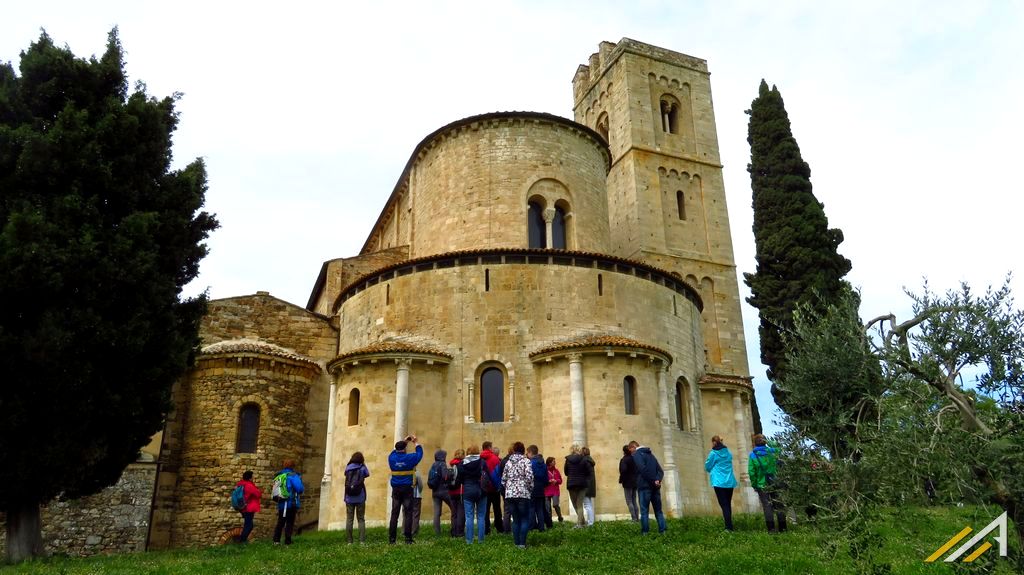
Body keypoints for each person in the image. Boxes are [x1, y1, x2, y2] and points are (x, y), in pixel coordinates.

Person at [388, 434, 424, 544]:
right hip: (407, 488)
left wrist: (404, 442)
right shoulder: (410, 458)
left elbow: (393, 452)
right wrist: (415, 442)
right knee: (408, 513)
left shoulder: (391, 458)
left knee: (394, 513)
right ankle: (408, 539)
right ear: (404, 449)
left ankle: (392, 539)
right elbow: (420, 454)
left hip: (396, 489)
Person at [749, 434, 786, 533]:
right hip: (775, 482)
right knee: (779, 504)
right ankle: (783, 528)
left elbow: (751, 472)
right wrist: (769, 441)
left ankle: (771, 529)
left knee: (767, 506)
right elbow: (779, 447)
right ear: (765, 442)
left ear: (755, 443)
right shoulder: (772, 452)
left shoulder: (753, 455)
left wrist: (754, 485)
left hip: (762, 484)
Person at [501, 441, 535, 549]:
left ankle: (516, 543)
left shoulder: (508, 462)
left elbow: (503, 480)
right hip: (523, 493)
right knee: (524, 518)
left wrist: (509, 488)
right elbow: (529, 478)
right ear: (523, 450)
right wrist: (529, 489)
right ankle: (522, 544)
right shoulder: (526, 461)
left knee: (515, 519)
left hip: (510, 494)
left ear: (514, 450)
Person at [629, 441, 666, 534]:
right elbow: (660, 471)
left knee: (644, 511)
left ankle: (645, 532)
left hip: (644, 486)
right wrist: (657, 480)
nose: (631, 454)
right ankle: (663, 530)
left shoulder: (637, 455)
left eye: (631, 451)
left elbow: (642, 470)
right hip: (655, 487)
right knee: (658, 511)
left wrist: (653, 480)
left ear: (633, 447)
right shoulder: (651, 455)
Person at [704, 435, 737, 531]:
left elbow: (707, 466)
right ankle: (730, 525)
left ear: (714, 442)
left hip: (719, 482)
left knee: (724, 505)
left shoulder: (713, 453)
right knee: (728, 503)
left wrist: (712, 469)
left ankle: (728, 527)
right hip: (729, 482)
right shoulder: (728, 452)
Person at [458, 445, 488, 543]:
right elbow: (487, 475)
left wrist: (466, 483)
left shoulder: (462, 463)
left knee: (469, 517)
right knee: (481, 516)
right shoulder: (482, 462)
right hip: (481, 491)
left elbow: (460, 478)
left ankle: (469, 540)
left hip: (468, 490)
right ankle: (481, 540)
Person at [272, 459, 304, 545]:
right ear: (293, 466)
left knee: (280, 521)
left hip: (281, 503)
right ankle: (288, 541)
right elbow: (300, 489)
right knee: (289, 522)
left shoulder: (279, 475)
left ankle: (276, 540)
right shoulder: (293, 475)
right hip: (290, 502)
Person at [343, 452, 370, 543]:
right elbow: (367, 474)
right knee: (361, 519)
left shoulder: (348, 468)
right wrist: (363, 464)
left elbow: (345, 475)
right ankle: (362, 541)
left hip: (349, 497)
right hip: (360, 496)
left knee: (349, 519)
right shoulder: (362, 468)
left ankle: (349, 541)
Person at [563, 444, 591, 528]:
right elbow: (588, 472)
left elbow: (566, 472)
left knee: (575, 504)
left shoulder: (568, 460)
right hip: (582, 484)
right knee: (579, 504)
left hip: (571, 484)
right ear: (579, 450)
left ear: (571, 450)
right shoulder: (584, 459)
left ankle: (580, 524)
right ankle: (581, 522)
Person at [429, 449, 456, 536]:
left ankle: (437, 532)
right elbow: (445, 476)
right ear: (443, 457)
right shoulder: (442, 464)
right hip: (444, 491)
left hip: (435, 492)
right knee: (454, 509)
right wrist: (451, 473)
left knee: (436, 513)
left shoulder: (433, 465)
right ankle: (454, 529)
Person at [480, 441, 504, 534]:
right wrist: (498, 486)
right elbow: (497, 474)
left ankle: (486, 529)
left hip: (483, 488)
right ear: (489, 447)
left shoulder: (479, 458)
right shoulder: (495, 458)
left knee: (485, 509)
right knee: (497, 508)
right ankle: (499, 528)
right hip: (494, 488)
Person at [235, 470, 261, 543]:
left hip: (243, 507)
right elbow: (258, 494)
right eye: (252, 477)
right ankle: (242, 541)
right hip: (248, 508)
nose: (253, 478)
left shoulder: (241, 484)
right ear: (249, 478)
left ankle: (242, 540)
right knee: (249, 525)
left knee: (248, 524)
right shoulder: (249, 485)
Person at [527, 445, 549, 530]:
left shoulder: (531, 463)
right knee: (540, 509)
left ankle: (532, 527)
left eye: (528, 453)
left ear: (531, 453)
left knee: (531, 508)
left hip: (532, 488)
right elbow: (546, 477)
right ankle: (541, 527)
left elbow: (529, 476)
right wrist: (544, 485)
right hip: (541, 488)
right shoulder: (543, 463)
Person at [618, 444, 639, 522]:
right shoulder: (634, 459)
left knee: (629, 501)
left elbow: (623, 470)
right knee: (634, 500)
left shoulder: (624, 459)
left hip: (627, 482)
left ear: (623, 451)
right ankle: (637, 518)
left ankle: (634, 519)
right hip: (635, 482)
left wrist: (621, 479)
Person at [449, 449, 466, 537]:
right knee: (461, 512)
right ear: (463, 455)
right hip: (460, 491)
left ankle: (453, 531)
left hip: (451, 491)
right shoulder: (462, 465)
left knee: (454, 512)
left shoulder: (451, 464)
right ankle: (460, 532)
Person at [545, 456, 564, 523]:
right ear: (549, 463)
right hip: (547, 491)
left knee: (555, 504)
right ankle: (549, 521)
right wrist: (549, 481)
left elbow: (560, 480)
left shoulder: (556, 471)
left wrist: (556, 481)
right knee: (548, 507)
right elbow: (543, 480)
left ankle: (560, 518)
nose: (555, 463)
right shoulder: (545, 471)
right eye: (553, 461)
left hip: (555, 491)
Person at [582, 446, 597, 526]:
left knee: (587, 505)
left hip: (586, 485)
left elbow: (584, 473)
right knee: (589, 504)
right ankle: (590, 521)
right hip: (590, 485)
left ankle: (590, 523)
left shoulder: (585, 461)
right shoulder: (590, 460)